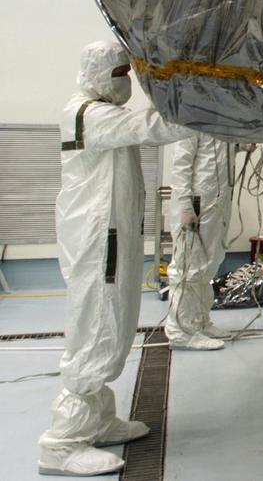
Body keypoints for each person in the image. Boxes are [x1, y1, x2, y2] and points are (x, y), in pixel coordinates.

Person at [39, 41, 195, 477]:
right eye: (119, 73)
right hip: (98, 242)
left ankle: (99, 419)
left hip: (111, 238)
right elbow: (150, 128)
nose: (125, 82)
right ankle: (63, 443)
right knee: (95, 330)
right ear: (96, 73)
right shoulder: (89, 113)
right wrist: (206, 112)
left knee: (114, 323)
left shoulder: (97, 109)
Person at [165, 135, 252, 350]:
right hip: (197, 202)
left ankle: (200, 322)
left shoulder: (216, 119)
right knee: (189, 267)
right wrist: (185, 205)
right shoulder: (192, 120)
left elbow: (215, 155)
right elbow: (181, 164)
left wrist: (238, 146)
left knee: (207, 266)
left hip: (216, 201)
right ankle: (181, 331)